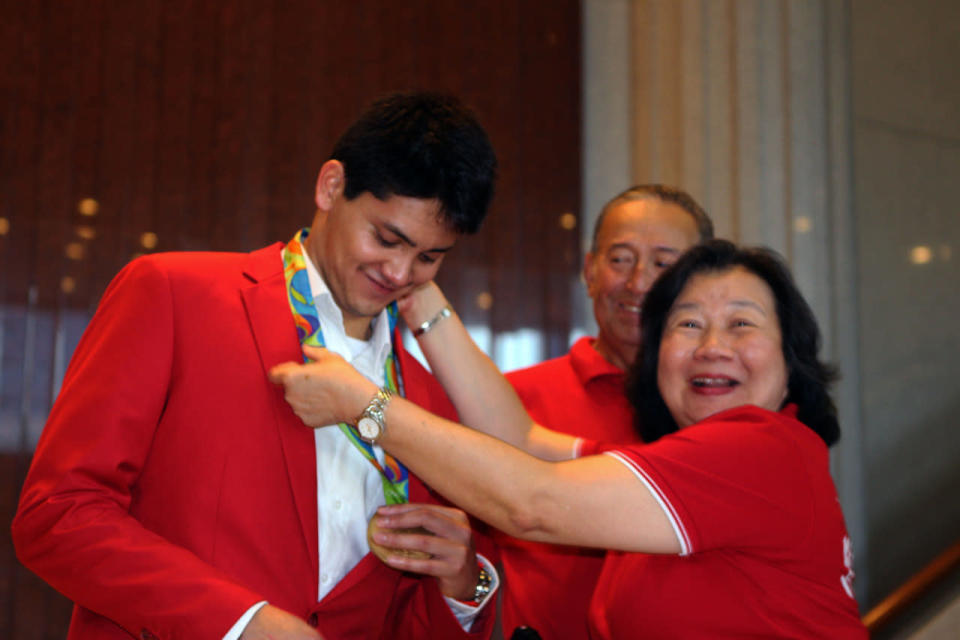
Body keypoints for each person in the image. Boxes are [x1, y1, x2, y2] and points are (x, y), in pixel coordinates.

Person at [12, 92, 501, 640]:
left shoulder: (425, 402)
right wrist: (238, 624)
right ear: (331, 187)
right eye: (387, 238)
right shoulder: (175, 296)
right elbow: (57, 515)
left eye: (429, 258)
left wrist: (463, 588)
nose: (398, 271)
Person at [270, 239, 869, 638]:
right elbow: (521, 438)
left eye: (741, 323)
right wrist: (419, 290)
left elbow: (534, 504)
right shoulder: (685, 470)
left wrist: (364, 406)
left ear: (791, 359)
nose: (712, 345)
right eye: (687, 324)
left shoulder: (762, 449)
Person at [500, 185, 713, 638]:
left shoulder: (724, 411)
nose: (638, 282)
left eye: (663, 264)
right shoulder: (509, 402)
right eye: (620, 258)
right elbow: (472, 567)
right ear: (589, 270)